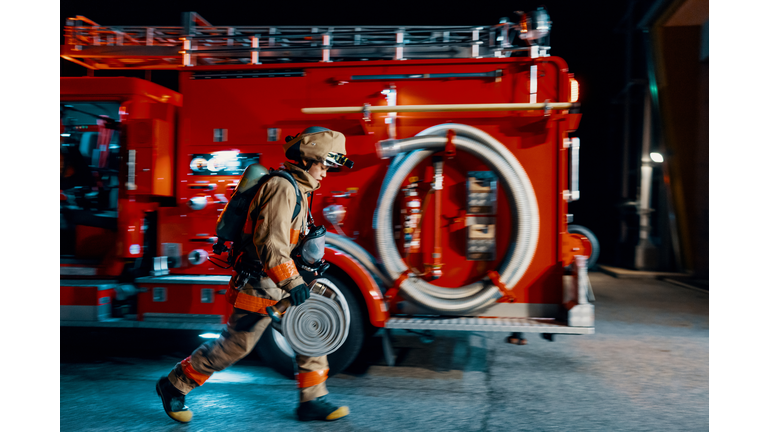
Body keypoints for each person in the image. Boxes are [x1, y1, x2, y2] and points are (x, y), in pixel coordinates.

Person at [156, 127, 352, 423]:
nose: (326, 172)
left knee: (310, 334)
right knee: (234, 347)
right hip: (261, 286)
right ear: (310, 158)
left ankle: (313, 400)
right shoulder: (282, 188)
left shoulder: (300, 189)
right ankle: (173, 385)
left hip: (282, 282)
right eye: (324, 164)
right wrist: (294, 281)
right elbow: (270, 242)